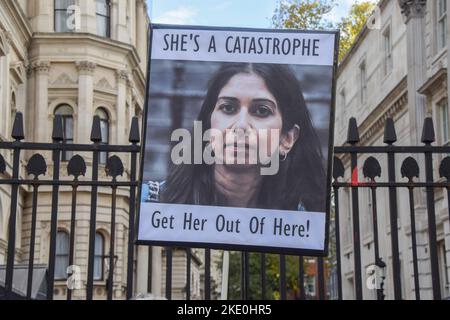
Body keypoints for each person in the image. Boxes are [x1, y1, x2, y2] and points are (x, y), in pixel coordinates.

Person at [143, 62, 326, 213]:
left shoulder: (301, 221)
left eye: (262, 111)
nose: (240, 126)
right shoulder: (150, 202)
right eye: (228, 108)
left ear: (287, 138)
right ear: (209, 124)